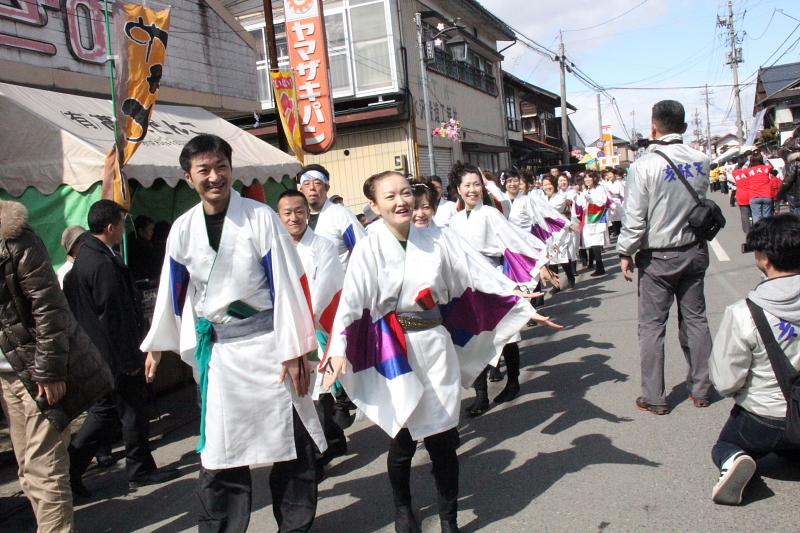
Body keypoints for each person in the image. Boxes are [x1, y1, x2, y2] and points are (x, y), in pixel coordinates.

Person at [321, 171, 562, 533]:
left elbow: (478, 274)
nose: (401, 202)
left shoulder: (439, 238)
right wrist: (339, 348)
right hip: (395, 351)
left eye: (405, 193)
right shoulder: (369, 246)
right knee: (402, 440)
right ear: (374, 205)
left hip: (435, 346)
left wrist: (519, 304)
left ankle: (450, 519)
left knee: (443, 441)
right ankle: (404, 509)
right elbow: (351, 302)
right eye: (390, 196)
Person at [141, 134, 326, 532]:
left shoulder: (260, 218)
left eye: (221, 167)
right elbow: (173, 291)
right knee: (220, 456)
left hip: (270, 347)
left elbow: (288, 284)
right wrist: (157, 345)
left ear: (231, 169)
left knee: (293, 447)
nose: (214, 177)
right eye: (204, 170)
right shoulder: (183, 229)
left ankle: (294, 527)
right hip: (222, 356)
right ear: (188, 177)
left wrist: (296, 350)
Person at [0, 199, 112, 533]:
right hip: (6, 376)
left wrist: (49, 369)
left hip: (36, 372)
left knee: (44, 469)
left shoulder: (15, 238)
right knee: (28, 470)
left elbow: (49, 306)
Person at [65, 200, 179, 497]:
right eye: (121, 223)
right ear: (110, 226)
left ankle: (73, 470)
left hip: (100, 352)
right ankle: (134, 469)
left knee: (112, 412)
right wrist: (129, 358)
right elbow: (115, 316)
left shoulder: (90, 257)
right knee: (124, 412)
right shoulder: (101, 263)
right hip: (113, 354)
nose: (123, 229)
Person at [618, 100, 713, 415]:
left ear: (653, 127)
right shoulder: (701, 160)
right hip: (694, 249)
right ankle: (701, 389)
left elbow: (635, 218)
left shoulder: (643, 166)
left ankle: (655, 397)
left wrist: (626, 251)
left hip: (657, 256)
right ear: (683, 127)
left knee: (652, 327)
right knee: (696, 320)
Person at [448, 163, 558, 415]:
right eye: (467, 185)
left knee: (506, 332)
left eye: (477, 184)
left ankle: (513, 382)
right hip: (468, 284)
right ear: (458, 189)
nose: (473, 190)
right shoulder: (453, 221)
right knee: (475, 337)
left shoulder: (489, 213)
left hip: (494, 277)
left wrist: (540, 264)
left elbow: (515, 239)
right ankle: (481, 394)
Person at [708, 214, 800, 505]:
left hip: (765, 417)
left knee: (725, 444)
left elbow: (725, 380)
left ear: (765, 259)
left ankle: (734, 459)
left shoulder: (744, 312)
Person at [276, 189, 348, 467]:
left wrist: (304, 321)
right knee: (301, 390)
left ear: (308, 213)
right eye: (287, 213)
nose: (293, 218)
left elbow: (326, 287)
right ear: (279, 216)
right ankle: (327, 440)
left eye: (299, 211)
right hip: (286, 329)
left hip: (313, 324)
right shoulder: (276, 248)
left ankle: (325, 446)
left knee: (317, 388)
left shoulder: (322, 246)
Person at [297, 164, 366, 268]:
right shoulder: (298, 220)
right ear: (301, 190)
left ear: (327, 187)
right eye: (306, 184)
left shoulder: (341, 215)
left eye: (317, 183)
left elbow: (362, 251)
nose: (312, 188)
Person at [543, 176, 577, 289]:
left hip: (559, 229)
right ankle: (556, 284)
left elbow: (549, 212)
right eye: (545, 185)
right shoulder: (542, 198)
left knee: (561, 255)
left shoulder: (560, 198)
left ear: (554, 185)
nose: (547, 187)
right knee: (551, 258)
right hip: (547, 230)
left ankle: (570, 276)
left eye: (549, 184)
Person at [578, 172, 609, 276]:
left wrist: (590, 198)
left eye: (589, 178)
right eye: (585, 178)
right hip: (589, 217)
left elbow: (602, 202)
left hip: (598, 218)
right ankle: (598, 266)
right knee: (591, 241)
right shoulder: (586, 190)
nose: (586, 180)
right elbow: (582, 204)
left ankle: (600, 267)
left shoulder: (600, 188)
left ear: (594, 178)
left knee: (596, 241)